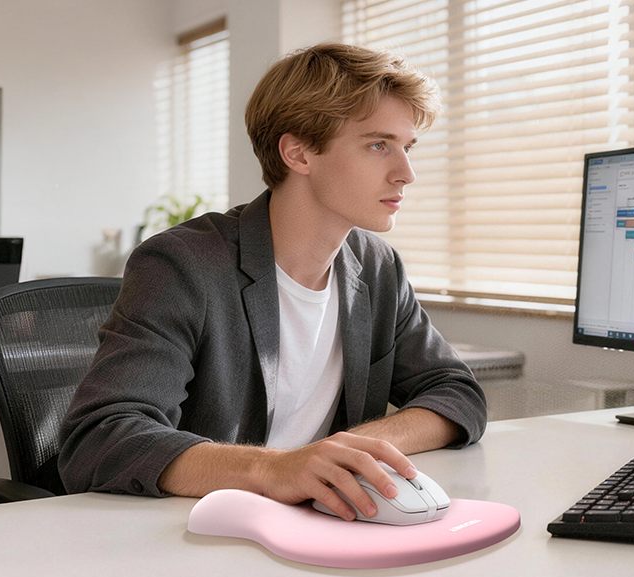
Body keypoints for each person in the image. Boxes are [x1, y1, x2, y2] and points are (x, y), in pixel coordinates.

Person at [58, 43, 487, 523]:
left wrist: (349, 453)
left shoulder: (377, 267)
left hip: (323, 527)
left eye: (407, 148)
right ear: (298, 153)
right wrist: (275, 469)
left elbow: (456, 392)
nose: (406, 173)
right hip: (192, 535)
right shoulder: (183, 265)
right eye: (377, 144)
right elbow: (99, 439)